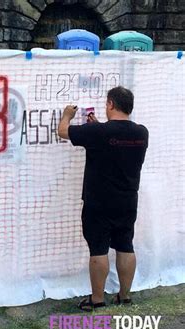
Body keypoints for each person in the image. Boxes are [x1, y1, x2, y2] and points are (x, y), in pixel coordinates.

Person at [58, 86, 148, 311]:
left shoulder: (99, 134)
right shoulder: (141, 133)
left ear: (110, 104)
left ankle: (97, 299)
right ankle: (124, 296)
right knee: (126, 245)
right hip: (128, 200)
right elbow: (113, 140)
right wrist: (98, 127)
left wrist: (67, 115)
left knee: (99, 249)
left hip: (99, 202)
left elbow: (63, 131)